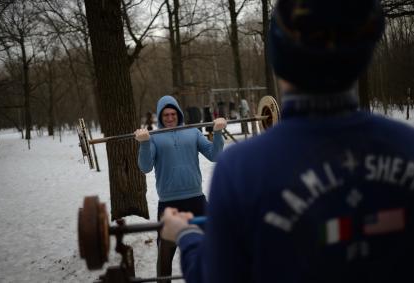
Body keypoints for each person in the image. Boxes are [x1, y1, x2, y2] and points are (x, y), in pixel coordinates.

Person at [160, 0, 414, 282]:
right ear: (363, 56)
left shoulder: (242, 170)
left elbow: (215, 276)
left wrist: (186, 234)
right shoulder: (408, 146)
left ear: (279, 60)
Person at [133, 95, 227, 282]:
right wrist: (144, 143)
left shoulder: (192, 132)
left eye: (172, 114)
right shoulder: (154, 138)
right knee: (165, 257)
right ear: (160, 117)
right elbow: (145, 167)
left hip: (196, 199)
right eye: (165, 115)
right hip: (169, 204)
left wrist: (217, 133)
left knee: (213, 247)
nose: (169, 118)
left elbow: (215, 155)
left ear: (178, 114)